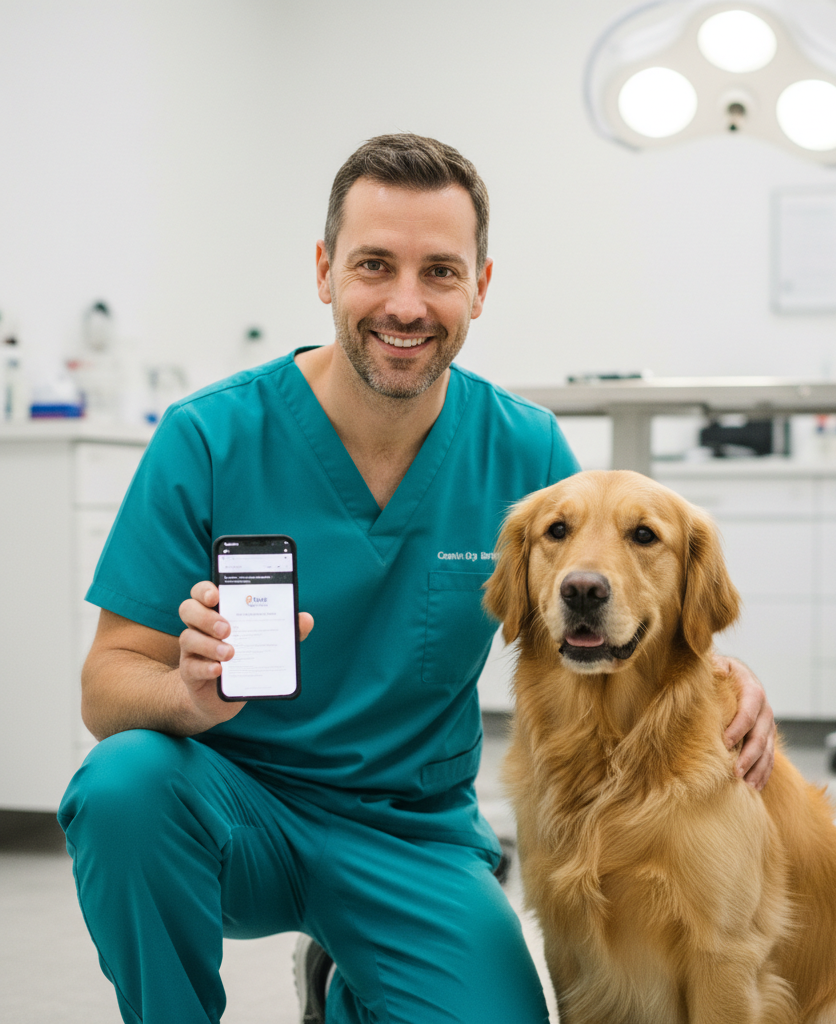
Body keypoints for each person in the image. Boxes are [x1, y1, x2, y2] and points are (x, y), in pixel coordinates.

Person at [57, 134, 776, 1024]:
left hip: (411, 834)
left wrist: (725, 675)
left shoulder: (524, 452)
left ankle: (348, 982)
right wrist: (186, 698)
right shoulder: (208, 438)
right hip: (236, 814)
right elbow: (106, 682)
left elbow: (613, 609)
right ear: (325, 272)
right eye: (373, 265)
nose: (405, 304)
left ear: (479, 286)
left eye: (439, 271)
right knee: (123, 782)